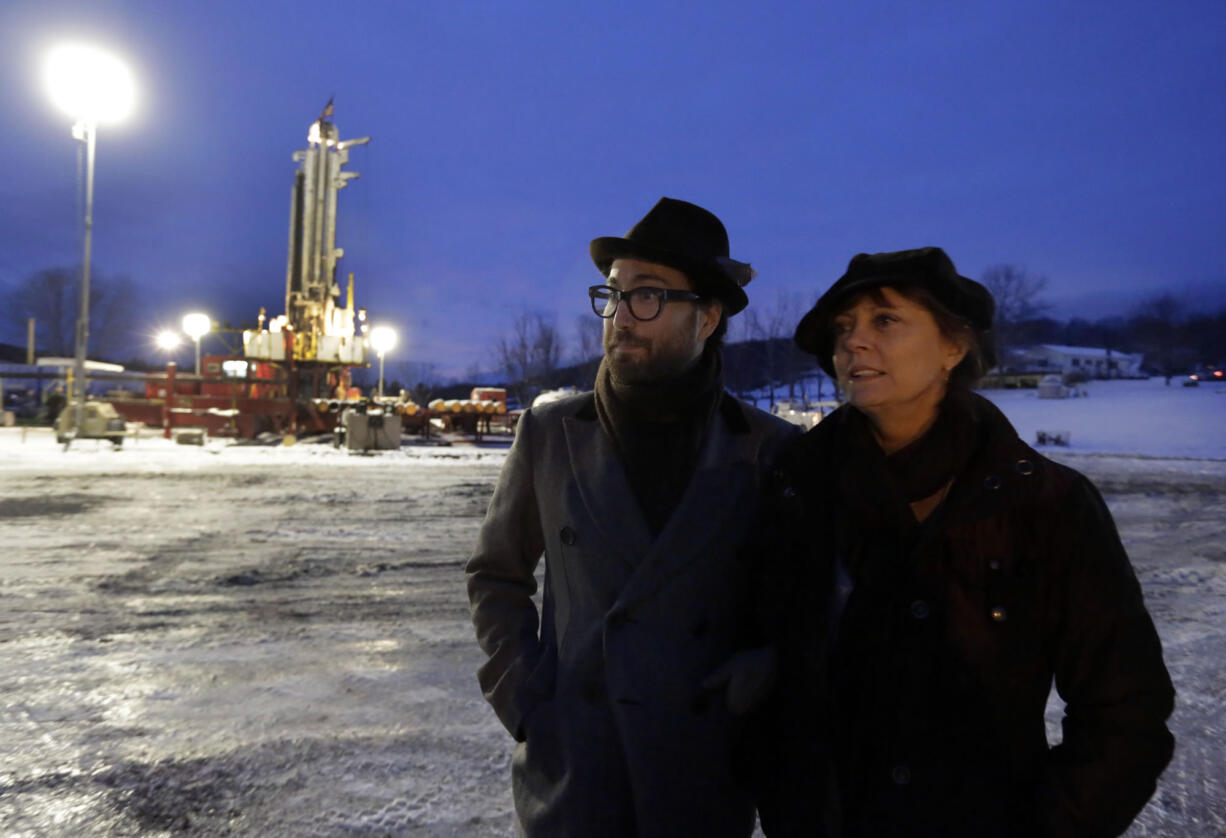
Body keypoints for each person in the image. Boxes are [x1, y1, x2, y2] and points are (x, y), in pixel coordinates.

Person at [762, 247, 1174, 837]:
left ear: (954, 347)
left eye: (885, 320)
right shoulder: (795, 490)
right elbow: (764, 669)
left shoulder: (1047, 504)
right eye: (843, 328)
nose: (854, 342)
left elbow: (1125, 713)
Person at [466, 197, 798, 837]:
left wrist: (755, 680)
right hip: (577, 775)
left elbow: (795, 604)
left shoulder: (767, 449)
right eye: (612, 295)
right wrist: (528, 696)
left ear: (707, 317)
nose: (619, 317)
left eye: (646, 297)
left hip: (698, 773)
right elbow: (495, 573)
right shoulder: (549, 432)